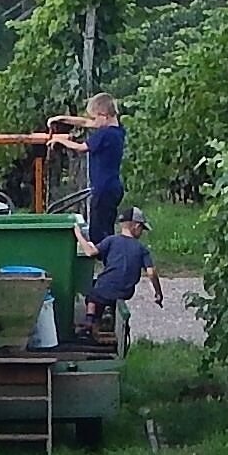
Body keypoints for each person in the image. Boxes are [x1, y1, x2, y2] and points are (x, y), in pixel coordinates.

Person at [46, 90, 126, 250]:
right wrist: (62, 119)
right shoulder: (117, 131)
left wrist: (59, 140)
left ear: (104, 115)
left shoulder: (104, 134)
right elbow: (85, 123)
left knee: (98, 233)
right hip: (112, 187)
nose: (92, 121)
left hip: (103, 188)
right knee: (106, 228)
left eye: (95, 117)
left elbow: (82, 147)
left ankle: (106, 260)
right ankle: (111, 258)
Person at [81, 209, 164, 342]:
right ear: (136, 226)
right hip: (125, 291)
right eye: (142, 228)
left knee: (93, 292)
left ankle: (89, 323)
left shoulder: (111, 240)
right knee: (107, 292)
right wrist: (158, 293)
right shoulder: (141, 248)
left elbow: (90, 252)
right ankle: (108, 317)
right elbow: (151, 272)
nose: (141, 232)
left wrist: (78, 234)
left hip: (103, 290)